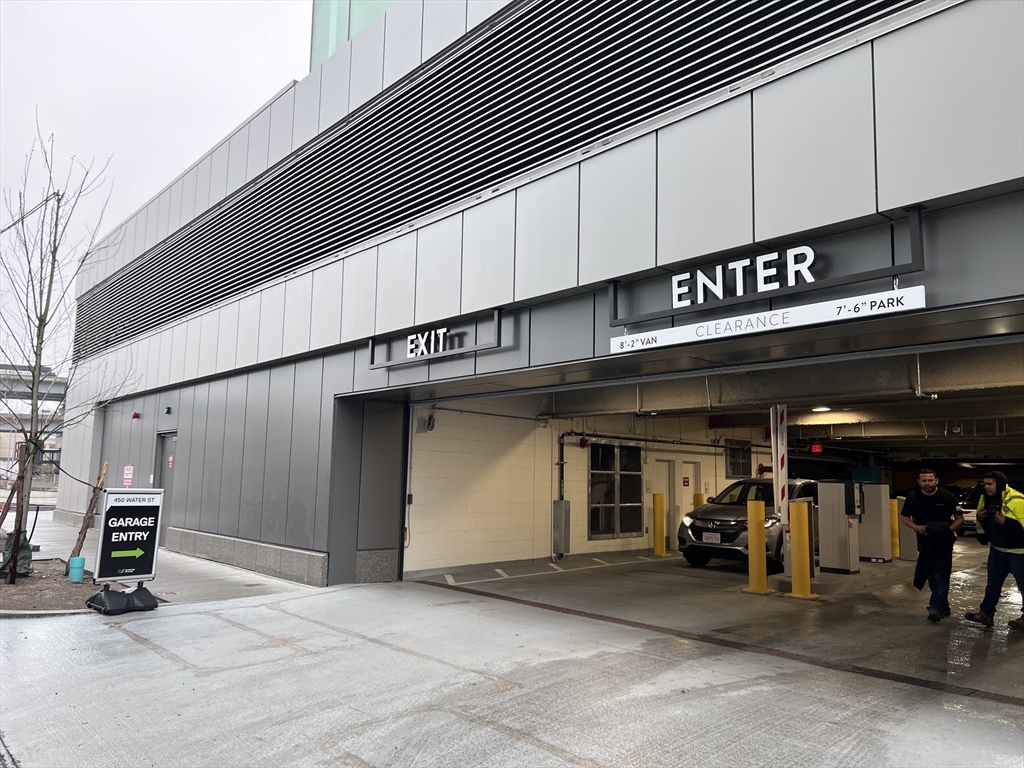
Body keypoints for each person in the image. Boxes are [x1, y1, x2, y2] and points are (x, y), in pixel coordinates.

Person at [900, 468, 963, 622]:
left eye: (930, 480)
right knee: (930, 574)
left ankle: (934, 607)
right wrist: (917, 528)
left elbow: (959, 518)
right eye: (924, 480)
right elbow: (904, 517)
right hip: (924, 541)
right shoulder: (912, 497)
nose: (927, 483)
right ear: (918, 482)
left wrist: (948, 531)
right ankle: (944, 607)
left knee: (940, 574)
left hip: (943, 542)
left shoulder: (947, 496)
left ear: (936, 481)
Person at [964, 471, 1024, 630]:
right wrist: (981, 521)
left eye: (990, 484)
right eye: (985, 484)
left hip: (1019, 553)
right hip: (997, 551)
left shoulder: (1017, 500)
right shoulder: (984, 499)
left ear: (1000, 484)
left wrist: (1006, 523)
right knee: (992, 585)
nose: (986, 487)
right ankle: (986, 614)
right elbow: (982, 528)